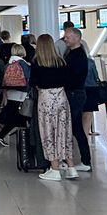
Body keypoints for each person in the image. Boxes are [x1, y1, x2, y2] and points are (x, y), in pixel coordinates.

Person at [31, 35, 77, 181]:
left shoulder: (37, 62)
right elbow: (69, 81)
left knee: (48, 133)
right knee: (64, 131)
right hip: (62, 98)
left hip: (45, 99)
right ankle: (71, 167)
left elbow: (33, 82)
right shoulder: (61, 62)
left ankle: (54, 168)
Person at [62, 27, 93, 171]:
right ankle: (83, 160)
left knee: (76, 128)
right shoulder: (74, 53)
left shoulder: (77, 56)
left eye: (68, 37)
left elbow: (71, 76)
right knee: (75, 128)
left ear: (76, 38)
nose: (65, 39)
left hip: (75, 94)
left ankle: (85, 161)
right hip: (75, 93)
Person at [0, 44, 32, 144]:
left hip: (10, 91)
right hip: (21, 92)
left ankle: (4, 131)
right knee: (21, 115)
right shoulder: (23, 64)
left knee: (13, 113)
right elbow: (28, 78)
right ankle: (4, 133)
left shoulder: (9, 64)